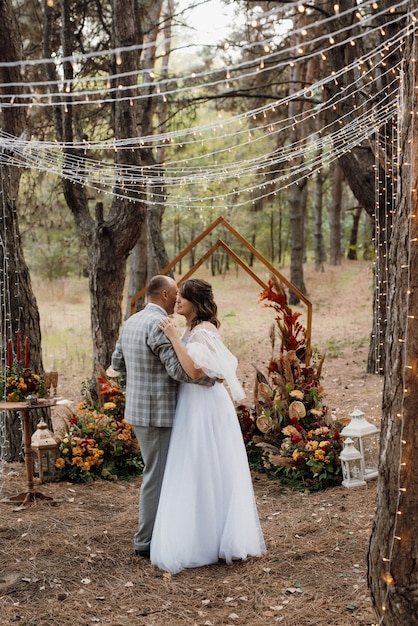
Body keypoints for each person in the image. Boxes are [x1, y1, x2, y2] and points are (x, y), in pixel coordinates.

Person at [151, 278, 266, 574]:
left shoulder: (203, 331)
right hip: (191, 403)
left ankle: (213, 539)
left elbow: (193, 371)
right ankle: (199, 533)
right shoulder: (192, 328)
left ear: (195, 303)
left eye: (182, 298)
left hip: (205, 405)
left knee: (206, 465)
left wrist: (175, 338)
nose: (177, 302)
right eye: (176, 298)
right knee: (195, 467)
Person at [110, 275, 215, 558]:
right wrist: (213, 379)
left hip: (138, 410)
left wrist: (140, 376)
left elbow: (116, 363)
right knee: (156, 476)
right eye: (176, 293)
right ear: (166, 295)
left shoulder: (131, 321)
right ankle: (145, 541)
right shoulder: (158, 326)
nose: (178, 298)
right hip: (157, 413)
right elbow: (180, 372)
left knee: (155, 472)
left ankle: (165, 531)